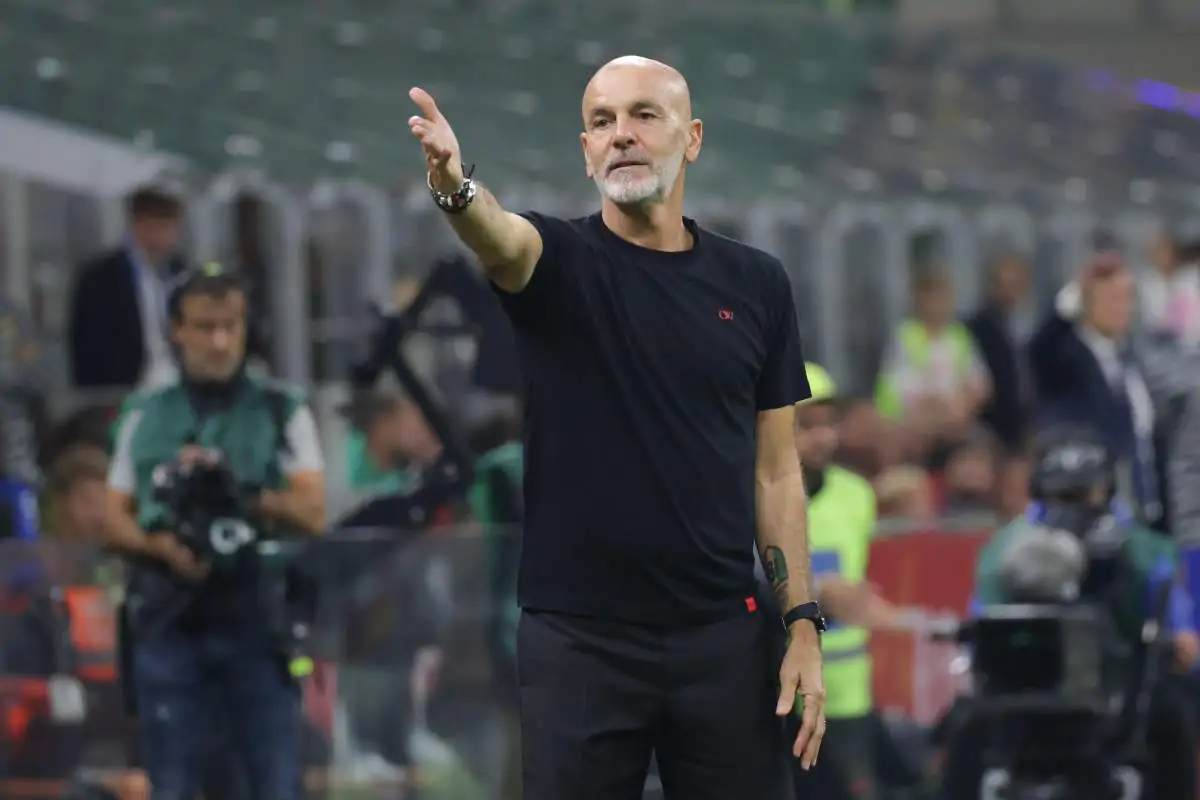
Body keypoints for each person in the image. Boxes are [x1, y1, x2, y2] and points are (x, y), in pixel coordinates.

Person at [407, 54, 824, 799]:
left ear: (692, 138)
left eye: (643, 115)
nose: (621, 134)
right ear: (585, 150)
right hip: (580, 643)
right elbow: (499, 236)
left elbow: (776, 470)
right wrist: (454, 187)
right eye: (602, 122)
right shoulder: (556, 260)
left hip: (724, 637)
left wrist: (801, 624)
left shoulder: (757, 283)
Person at [104, 265, 326, 800]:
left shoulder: (281, 408)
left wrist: (244, 494)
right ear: (177, 330)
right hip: (168, 621)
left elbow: (314, 511)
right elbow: (112, 516)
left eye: (231, 325)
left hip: (256, 620)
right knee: (173, 785)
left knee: (274, 783)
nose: (221, 341)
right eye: (206, 327)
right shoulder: (145, 413)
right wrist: (161, 546)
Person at [943, 426, 1198, 800]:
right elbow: (985, 622)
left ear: (1106, 492)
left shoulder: (1145, 551)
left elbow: (1178, 625)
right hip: (1027, 684)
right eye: (1060, 497)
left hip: (1119, 685)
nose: (1073, 510)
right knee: (964, 724)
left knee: (1173, 716)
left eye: (1084, 496)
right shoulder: (1004, 551)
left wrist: (1179, 639)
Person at [777, 363, 896, 800]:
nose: (824, 437)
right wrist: (816, 593)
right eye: (806, 425)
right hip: (776, 691)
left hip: (845, 693)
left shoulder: (857, 495)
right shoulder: (752, 496)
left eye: (829, 423)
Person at [1029, 236, 1163, 530]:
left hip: (1139, 502)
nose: (1122, 308)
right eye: (1112, 298)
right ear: (1087, 302)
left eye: (1127, 298)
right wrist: (1076, 291)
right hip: (1086, 506)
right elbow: (1039, 347)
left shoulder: (1131, 359)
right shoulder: (1064, 354)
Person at [69, 185, 187, 391]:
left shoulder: (179, 270)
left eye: (171, 226)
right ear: (138, 224)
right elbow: (86, 344)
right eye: (159, 225)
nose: (166, 235)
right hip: (125, 385)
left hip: (177, 382)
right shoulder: (102, 276)